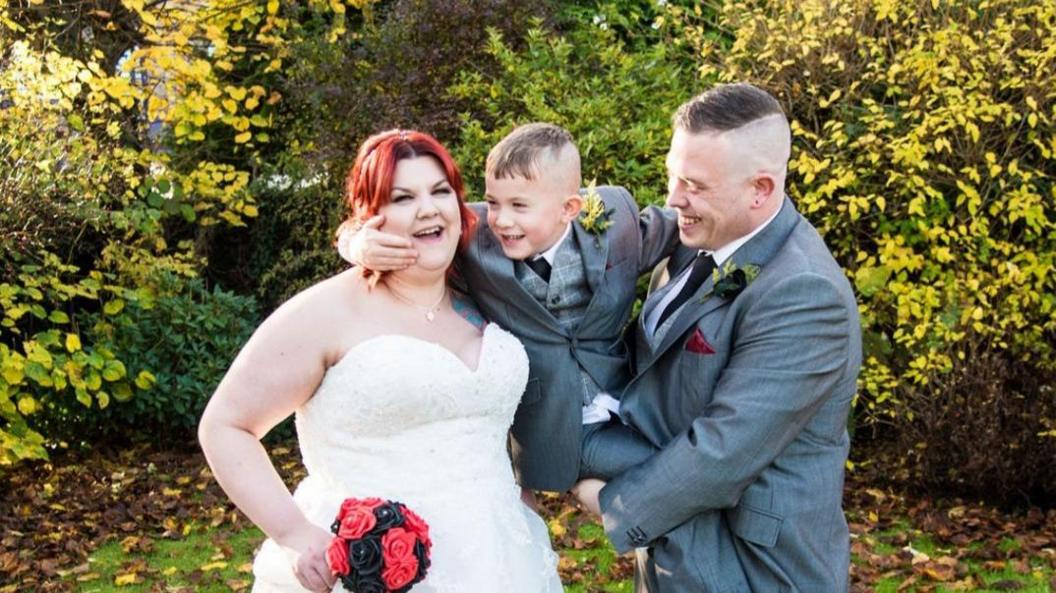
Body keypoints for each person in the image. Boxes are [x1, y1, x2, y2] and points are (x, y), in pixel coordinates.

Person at [198, 129, 563, 593]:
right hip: (370, 568)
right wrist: (293, 534)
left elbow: (575, 201)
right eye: (402, 197)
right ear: (369, 215)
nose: (428, 208)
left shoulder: (489, 283)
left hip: (502, 558)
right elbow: (225, 425)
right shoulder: (327, 313)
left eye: (440, 191)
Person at [574, 83, 863, 592]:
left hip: (755, 569)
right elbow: (554, 235)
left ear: (761, 190)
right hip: (675, 552)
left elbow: (723, 451)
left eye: (694, 185)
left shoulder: (804, 293)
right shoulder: (695, 234)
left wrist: (610, 502)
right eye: (672, 175)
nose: (672, 199)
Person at [339, 123, 679, 494]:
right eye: (493, 202)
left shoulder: (614, 222)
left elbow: (690, 224)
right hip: (555, 428)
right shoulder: (474, 238)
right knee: (674, 469)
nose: (501, 219)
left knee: (697, 464)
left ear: (569, 208)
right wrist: (354, 243)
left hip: (631, 398)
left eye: (518, 205)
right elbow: (388, 223)